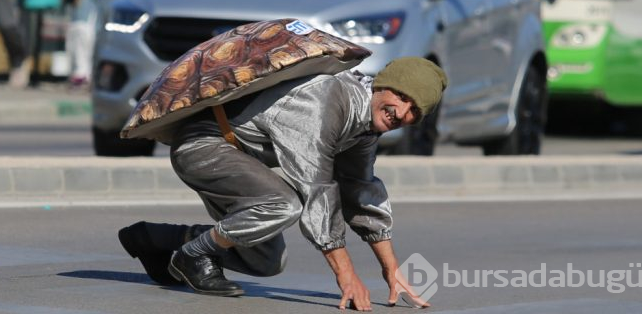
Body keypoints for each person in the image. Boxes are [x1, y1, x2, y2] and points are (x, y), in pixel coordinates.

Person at [118, 57, 448, 310]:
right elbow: (316, 188)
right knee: (283, 204)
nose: (401, 112)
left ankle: (155, 239)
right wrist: (345, 276)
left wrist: (391, 270)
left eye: (414, 113)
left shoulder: (366, 125)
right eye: (402, 97)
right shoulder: (326, 98)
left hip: (237, 157)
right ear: (383, 84)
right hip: (204, 144)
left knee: (266, 260)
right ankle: (192, 255)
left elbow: (361, 192)